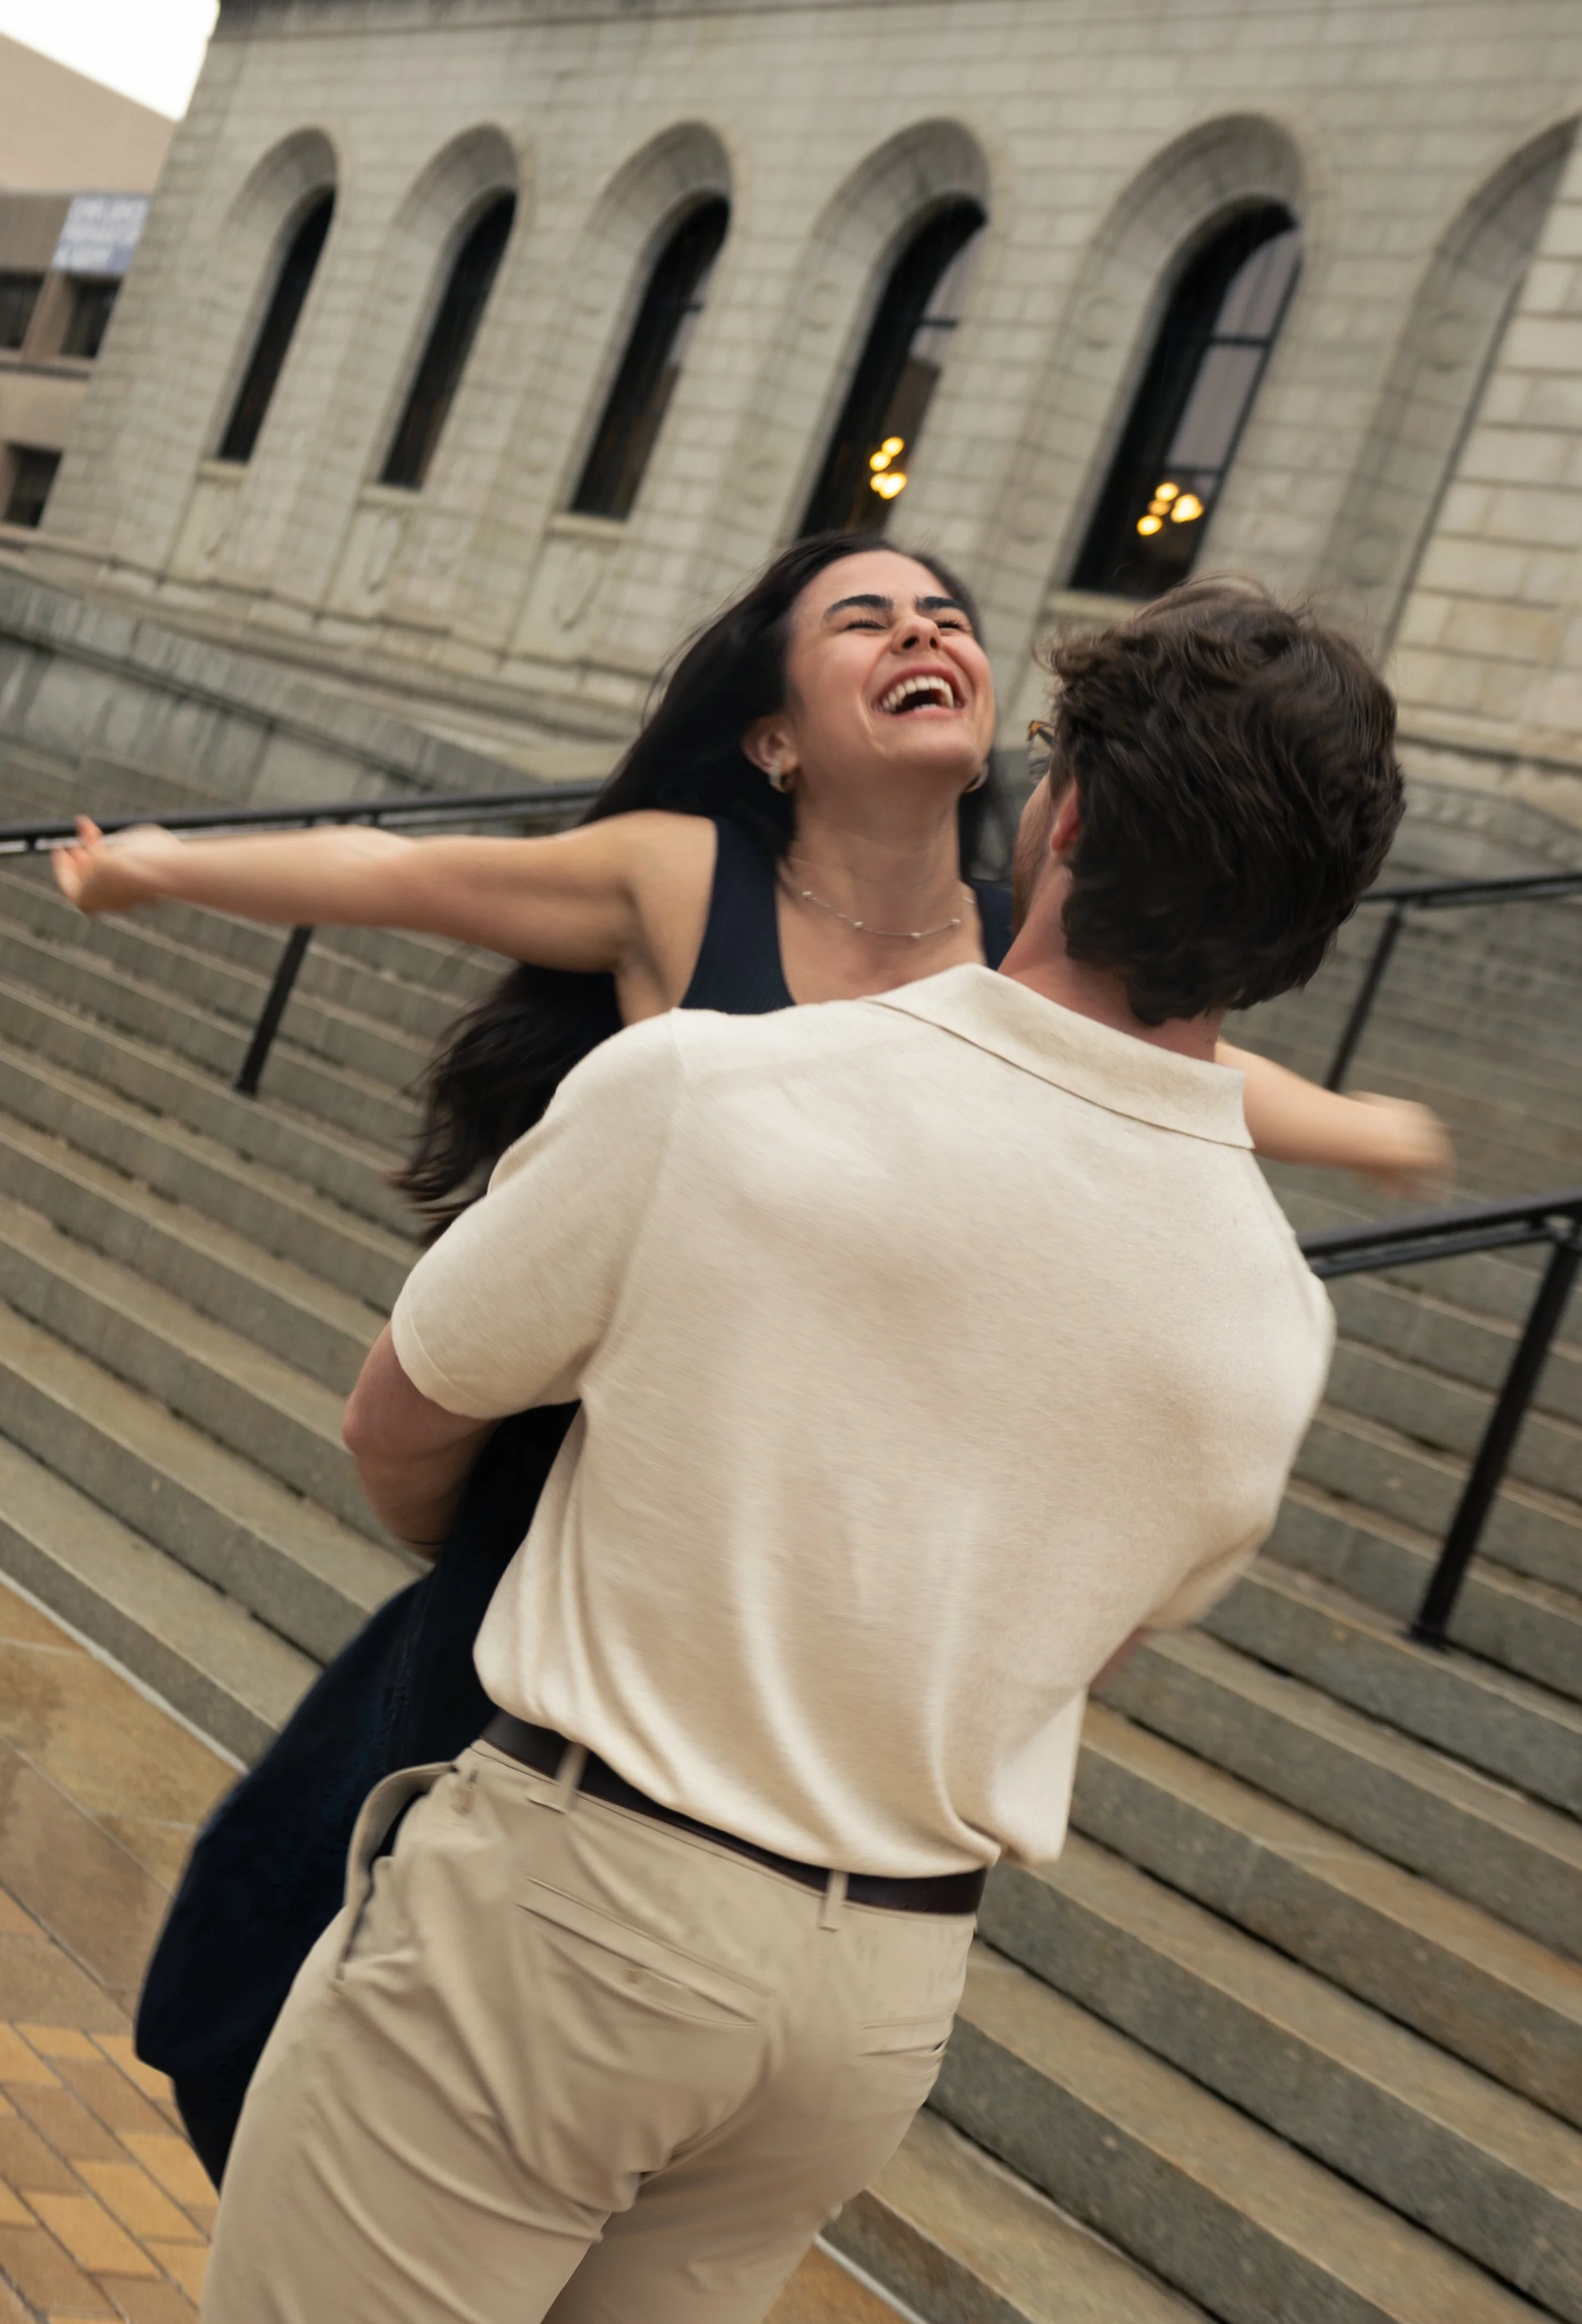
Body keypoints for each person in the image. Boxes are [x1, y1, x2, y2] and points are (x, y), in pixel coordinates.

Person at [58, 536, 1447, 2182]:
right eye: (863, 618)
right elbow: (394, 870)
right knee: (302, 1951)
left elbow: (1202, 1088)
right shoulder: (676, 876)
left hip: (813, 1564)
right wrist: (155, 863)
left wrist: (1365, 1129)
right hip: (593, 1518)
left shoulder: (1030, 953)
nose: (921, 630)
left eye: (945, 615)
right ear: (774, 731)